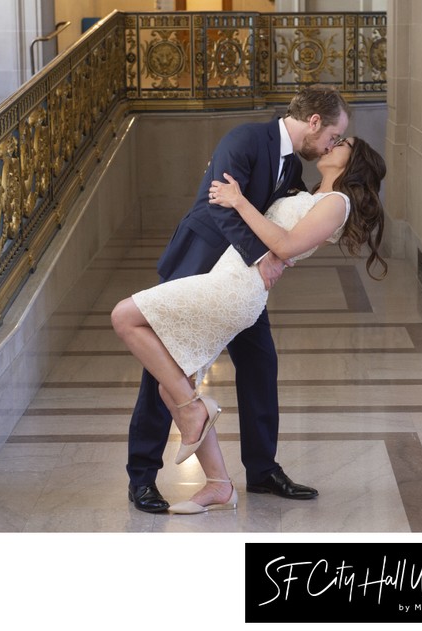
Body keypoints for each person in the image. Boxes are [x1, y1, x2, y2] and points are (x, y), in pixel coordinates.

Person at [112, 136, 387, 513]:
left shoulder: (337, 202)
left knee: (130, 323)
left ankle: (230, 444)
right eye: (334, 135)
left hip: (233, 288)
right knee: (171, 381)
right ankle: (213, 483)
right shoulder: (263, 152)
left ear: (352, 162)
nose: (331, 143)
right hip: (223, 274)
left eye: (341, 142)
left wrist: (240, 202)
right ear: (313, 122)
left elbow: (287, 245)